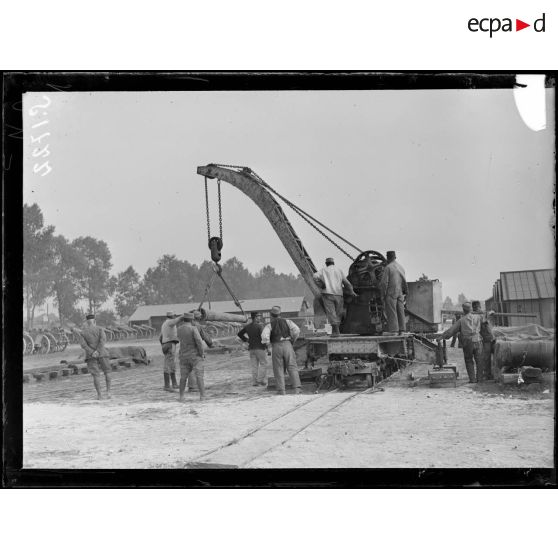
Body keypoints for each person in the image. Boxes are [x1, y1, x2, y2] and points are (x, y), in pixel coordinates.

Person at [261, 306, 302, 395]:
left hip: (276, 346)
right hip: (287, 344)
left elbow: (264, 336)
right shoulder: (288, 321)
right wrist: (292, 340)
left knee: (278, 368)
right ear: (280, 314)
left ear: (271, 315)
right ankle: (297, 389)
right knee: (292, 366)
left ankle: (281, 390)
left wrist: (268, 345)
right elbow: (297, 330)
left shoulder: (269, 325)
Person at [440, 302, 482, 383]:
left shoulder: (461, 321)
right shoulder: (478, 317)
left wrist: (442, 336)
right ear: (471, 309)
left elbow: (451, 331)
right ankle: (480, 379)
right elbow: (486, 319)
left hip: (468, 342)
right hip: (478, 340)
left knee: (469, 360)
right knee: (479, 360)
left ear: (463, 310)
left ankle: (472, 380)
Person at [313, 257, 356, 336]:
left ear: (326, 264)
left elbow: (314, 276)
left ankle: (335, 331)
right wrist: (351, 291)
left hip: (327, 294)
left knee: (331, 312)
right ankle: (337, 330)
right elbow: (347, 283)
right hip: (339, 294)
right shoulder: (339, 270)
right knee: (338, 313)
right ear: (333, 263)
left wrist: (321, 285)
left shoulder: (323, 270)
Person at [73, 314, 111, 400]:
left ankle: (99, 395)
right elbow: (103, 341)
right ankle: (108, 393)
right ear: (95, 321)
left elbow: (83, 345)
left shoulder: (83, 332)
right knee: (107, 372)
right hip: (103, 353)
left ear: (87, 322)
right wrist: (98, 351)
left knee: (96, 375)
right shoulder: (100, 329)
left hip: (91, 356)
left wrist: (93, 352)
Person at [177, 313, 206, 401]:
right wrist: (202, 353)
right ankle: (202, 396)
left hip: (183, 355)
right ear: (192, 320)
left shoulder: (179, 329)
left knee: (183, 377)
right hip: (195, 356)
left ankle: (181, 396)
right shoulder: (193, 328)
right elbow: (199, 342)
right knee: (199, 376)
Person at [379, 250, 408, 335]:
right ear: (395, 257)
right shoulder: (401, 267)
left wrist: (382, 295)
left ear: (387, 258)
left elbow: (384, 283)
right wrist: (405, 292)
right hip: (400, 292)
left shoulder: (388, 267)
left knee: (392, 311)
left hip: (391, 292)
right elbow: (404, 281)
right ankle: (402, 330)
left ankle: (394, 331)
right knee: (400, 311)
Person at [238, 311, 269, 387]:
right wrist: (267, 348)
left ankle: (255, 382)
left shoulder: (248, 326)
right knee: (263, 364)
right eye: (258, 316)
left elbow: (239, 334)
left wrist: (246, 340)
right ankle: (260, 380)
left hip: (251, 349)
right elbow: (264, 338)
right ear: (255, 317)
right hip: (260, 348)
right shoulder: (260, 326)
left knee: (254, 366)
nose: (260, 318)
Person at [186, 310, 215, 392]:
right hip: (195, 349)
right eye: (199, 316)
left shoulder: (185, 326)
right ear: (197, 317)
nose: (201, 317)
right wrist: (210, 344)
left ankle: (191, 386)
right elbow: (205, 337)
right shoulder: (198, 326)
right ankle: (194, 386)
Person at [159, 311, 182, 392]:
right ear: (172, 316)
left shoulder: (164, 324)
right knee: (169, 365)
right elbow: (177, 320)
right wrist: (184, 315)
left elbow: (160, 337)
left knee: (171, 364)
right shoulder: (170, 322)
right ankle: (167, 385)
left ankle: (174, 384)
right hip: (170, 344)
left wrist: (163, 345)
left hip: (165, 345)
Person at [472, 300, 495, 381]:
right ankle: (486, 374)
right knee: (484, 357)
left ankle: (487, 375)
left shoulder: (481, 314)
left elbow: (484, 319)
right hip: (484, 339)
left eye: (477, 307)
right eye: (475, 308)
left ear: (479, 307)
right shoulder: (476, 315)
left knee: (486, 357)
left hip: (488, 338)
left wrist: (489, 313)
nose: (477, 309)